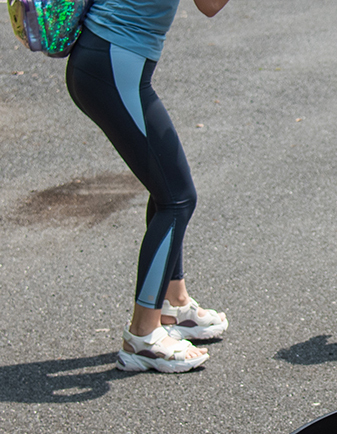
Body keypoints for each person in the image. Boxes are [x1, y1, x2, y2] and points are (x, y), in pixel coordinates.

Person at [66, 0, 231, 373]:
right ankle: (143, 336)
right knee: (177, 199)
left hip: (106, 59)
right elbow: (209, 6)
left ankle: (174, 303)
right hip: (112, 63)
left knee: (169, 192)